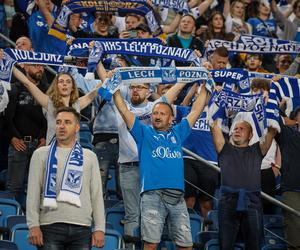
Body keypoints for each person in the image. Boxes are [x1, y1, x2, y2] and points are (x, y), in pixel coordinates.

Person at [113, 83, 208, 249]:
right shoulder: (143, 133)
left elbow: (196, 110)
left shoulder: (179, 132)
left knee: (186, 245)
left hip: (178, 197)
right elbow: (123, 110)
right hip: (152, 195)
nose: (157, 116)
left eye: (162, 114)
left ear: (171, 119)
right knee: (150, 244)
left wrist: (206, 86)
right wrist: (114, 87)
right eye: (155, 113)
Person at [26, 106, 105, 249]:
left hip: (82, 227)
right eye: (58, 122)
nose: (61, 126)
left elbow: (97, 195)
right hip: (49, 226)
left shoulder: (90, 156)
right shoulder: (40, 154)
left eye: (67, 122)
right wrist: (33, 225)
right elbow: (33, 192)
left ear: (77, 127)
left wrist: (99, 228)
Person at [210, 118, 276, 250]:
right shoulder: (225, 148)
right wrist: (214, 112)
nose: (237, 131)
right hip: (227, 202)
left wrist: (269, 115)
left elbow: (272, 131)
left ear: (250, 135)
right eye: (235, 128)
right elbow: (214, 126)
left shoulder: (257, 149)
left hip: (252, 202)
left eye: (242, 129)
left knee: (254, 246)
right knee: (225, 246)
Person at [12, 68, 102, 144]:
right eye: (61, 81)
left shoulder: (77, 104)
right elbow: (28, 83)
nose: (64, 84)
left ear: (73, 87)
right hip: (53, 150)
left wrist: (109, 77)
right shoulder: (48, 102)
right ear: (56, 86)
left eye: (68, 82)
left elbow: (94, 92)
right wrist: (11, 66)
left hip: (73, 152)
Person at [5, 64, 48, 201]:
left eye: (41, 66)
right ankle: (11, 218)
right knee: (14, 187)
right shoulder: (14, 88)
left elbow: (51, 118)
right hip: (19, 144)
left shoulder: (48, 91)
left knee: (36, 188)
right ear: (26, 68)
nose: (40, 69)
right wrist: (12, 137)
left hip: (39, 146)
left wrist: (44, 138)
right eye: (35, 66)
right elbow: (6, 116)